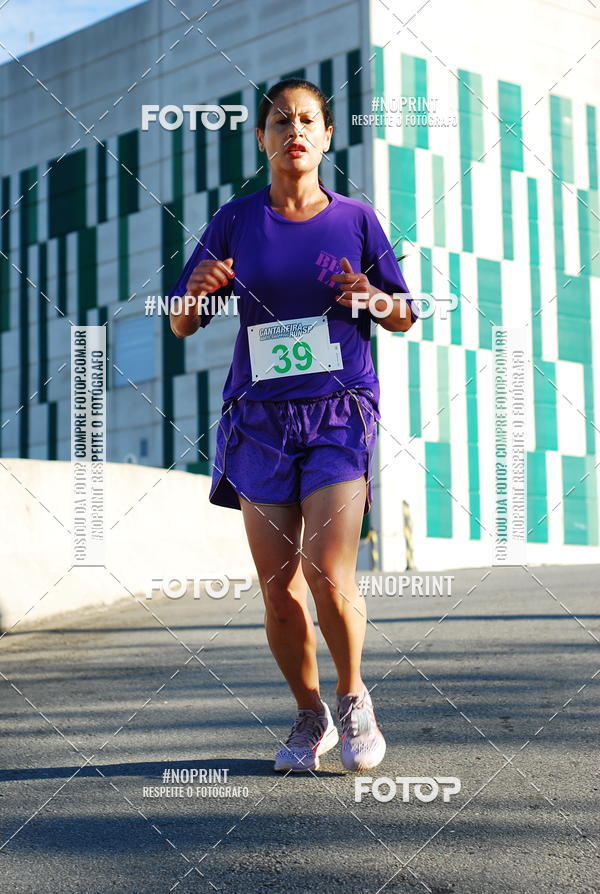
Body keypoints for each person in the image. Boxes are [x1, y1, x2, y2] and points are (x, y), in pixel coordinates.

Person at [168, 78, 419, 773]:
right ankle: (309, 715)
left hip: (339, 412)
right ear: (262, 138)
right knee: (279, 586)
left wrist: (370, 295)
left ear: (328, 136)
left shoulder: (356, 220)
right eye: (281, 121)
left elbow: (403, 314)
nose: (295, 131)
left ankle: (353, 698)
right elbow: (183, 322)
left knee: (327, 569)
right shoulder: (235, 220)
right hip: (259, 419)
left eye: (308, 120)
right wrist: (194, 294)